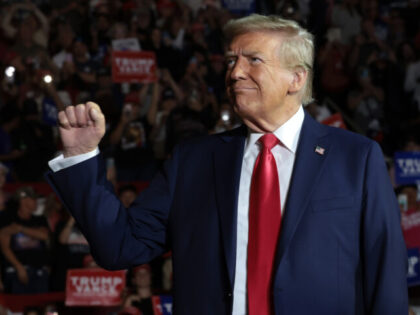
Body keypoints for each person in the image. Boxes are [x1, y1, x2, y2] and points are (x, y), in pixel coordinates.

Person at [46, 14, 408, 314]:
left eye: (253, 60)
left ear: (296, 78)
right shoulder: (193, 161)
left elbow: (385, 277)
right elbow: (119, 246)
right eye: (232, 60)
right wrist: (81, 157)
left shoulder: (356, 158)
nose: (235, 73)